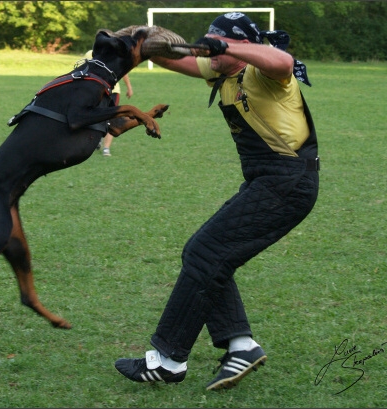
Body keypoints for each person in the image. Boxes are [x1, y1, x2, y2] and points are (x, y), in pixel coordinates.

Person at [114, 12, 319, 391]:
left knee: (207, 251)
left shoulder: (265, 72)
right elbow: (174, 58)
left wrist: (229, 46)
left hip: (288, 182)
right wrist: (138, 43)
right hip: (269, 183)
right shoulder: (221, 72)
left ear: (238, 45)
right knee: (203, 253)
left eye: (215, 41)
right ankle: (240, 344)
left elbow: (283, 60)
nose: (208, 48)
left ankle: (168, 360)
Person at [84, 50, 133, 156]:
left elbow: (123, 71)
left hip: (113, 91)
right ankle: (98, 138)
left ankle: (106, 148)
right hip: (97, 90)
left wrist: (129, 87)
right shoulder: (91, 54)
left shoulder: (116, 55)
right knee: (96, 116)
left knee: (111, 117)